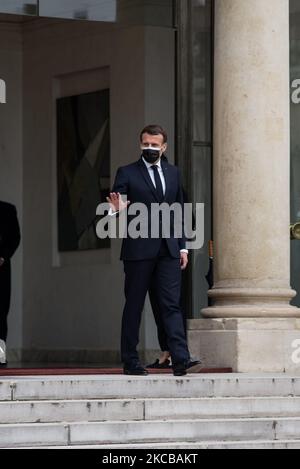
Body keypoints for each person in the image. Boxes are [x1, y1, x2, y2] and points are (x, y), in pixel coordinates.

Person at [107, 125, 201, 376]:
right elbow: (117, 204)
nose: (149, 148)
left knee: (171, 305)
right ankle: (130, 360)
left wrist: (183, 247)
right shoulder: (127, 172)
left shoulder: (173, 173)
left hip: (169, 249)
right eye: (145, 144)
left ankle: (180, 358)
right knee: (135, 305)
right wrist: (116, 210)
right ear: (140, 144)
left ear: (164, 147)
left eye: (154, 145)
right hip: (138, 250)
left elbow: (180, 211)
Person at [0, 201, 21, 367]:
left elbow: (14, 237)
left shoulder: (7, 209)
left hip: (0, 269)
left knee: (0, 313)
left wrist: (2, 256)